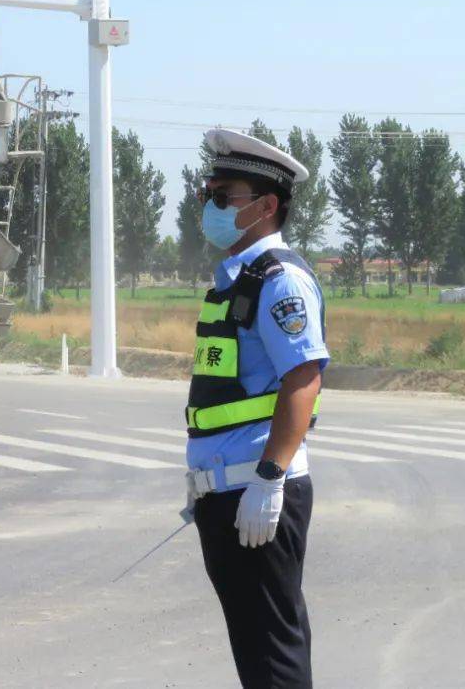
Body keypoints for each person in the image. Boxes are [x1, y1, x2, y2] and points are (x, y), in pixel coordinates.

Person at [184, 128, 330, 688]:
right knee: (257, 650)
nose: (211, 208)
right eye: (207, 195)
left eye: (224, 198)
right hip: (227, 491)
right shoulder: (236, 279)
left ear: (267, 206)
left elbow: (303, 377)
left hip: (258, 491)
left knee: (273, 655)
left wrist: (269, 480)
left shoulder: (279, 280)